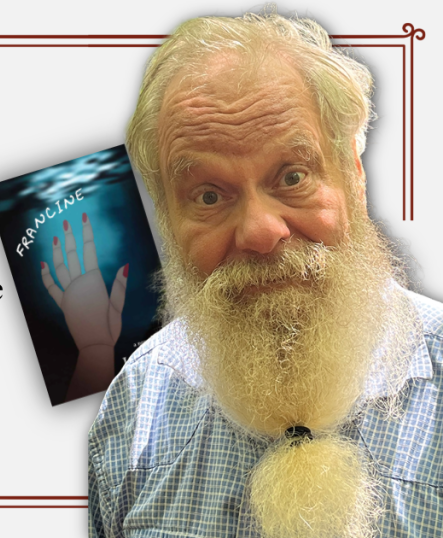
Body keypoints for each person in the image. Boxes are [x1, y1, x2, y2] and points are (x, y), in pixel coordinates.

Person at [88, 11, 443, 538]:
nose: (259, 231)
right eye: (209, 196)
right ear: (166, 220)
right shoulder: (137, 404)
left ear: (353, 174)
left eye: (293, 176)